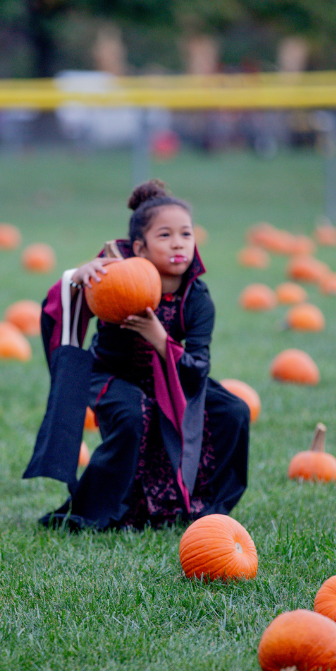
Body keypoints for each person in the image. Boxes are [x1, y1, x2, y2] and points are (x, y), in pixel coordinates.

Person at [27, 178, 250, 530]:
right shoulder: (113, 275)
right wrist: (76, 279)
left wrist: (161, 340)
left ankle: (203, 507)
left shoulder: (198, 299)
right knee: (134, 414)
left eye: (186, 234)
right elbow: (61, 305)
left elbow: (197, 371)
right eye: (165, 236)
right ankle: (101, 511)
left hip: (175, 376)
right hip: (112, 375)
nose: (178, 244)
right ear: (140, 249)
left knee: (233, 411)